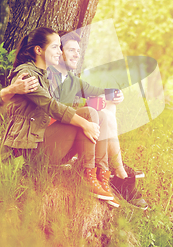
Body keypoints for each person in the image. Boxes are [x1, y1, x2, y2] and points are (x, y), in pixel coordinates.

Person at [0, 27, 118, 206]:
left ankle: (98, 175)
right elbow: (51, 106)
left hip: (38, 143)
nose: (59, 52)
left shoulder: (44, 74)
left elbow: (85, 91)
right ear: (39, 50)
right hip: (25, 153)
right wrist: (85, 124)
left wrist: (111, 93)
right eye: (55, 47)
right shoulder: (27, 74)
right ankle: (88, 176)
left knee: (92, 113)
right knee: (87, 117)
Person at [46, 30, 148, 210]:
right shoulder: (46, 76)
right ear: (58, 52)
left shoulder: (71, 80)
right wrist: (82, 119)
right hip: (46, 143)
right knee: (91, 113)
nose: (77, 54)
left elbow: (96, 90)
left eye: (78, 51)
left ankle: (107, 172)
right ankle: (115, 174)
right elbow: (49, 110)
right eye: (71, 50)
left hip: (63, 144)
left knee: (107, 110)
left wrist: (115, 95)